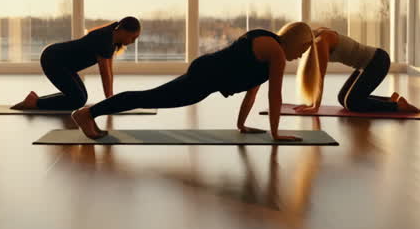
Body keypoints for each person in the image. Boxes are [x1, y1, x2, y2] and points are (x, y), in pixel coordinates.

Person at [70, 22, 317, 141]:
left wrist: (242, 125)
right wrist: (276, 133)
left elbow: (252, 91)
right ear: (300, 43)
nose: (301, 56)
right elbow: (276, 96)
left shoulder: (270, 49)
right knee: (150, 97)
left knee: (150, 96)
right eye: (304, 50)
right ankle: (88, 114)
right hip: (205, 77)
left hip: (206, 73)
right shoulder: (275, 53)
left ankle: (89, 113)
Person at [12, 17, 142, 111]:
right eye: (133, 37)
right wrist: (110, 101)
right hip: (53, 59)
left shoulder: (111, 40)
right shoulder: (104, 39)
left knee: (80, 98)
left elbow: (109, 70)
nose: (133, 41)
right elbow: (104, 73)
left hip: (65, 66)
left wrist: (111, 98)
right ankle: (35, 103)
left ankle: (34, 100)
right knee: (77, 100)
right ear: (124, 31)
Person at [294, 25, 420, 114]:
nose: (299, 54)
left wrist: (315, 106)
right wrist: (311, 103)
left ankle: (398, 107)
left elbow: (320, 77)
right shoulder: (319, 33)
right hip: (367, 64)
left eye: (298, 49)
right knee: (342, 98)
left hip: (377, 61)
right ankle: (389, 100)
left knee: (352, 102)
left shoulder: (320, 43)